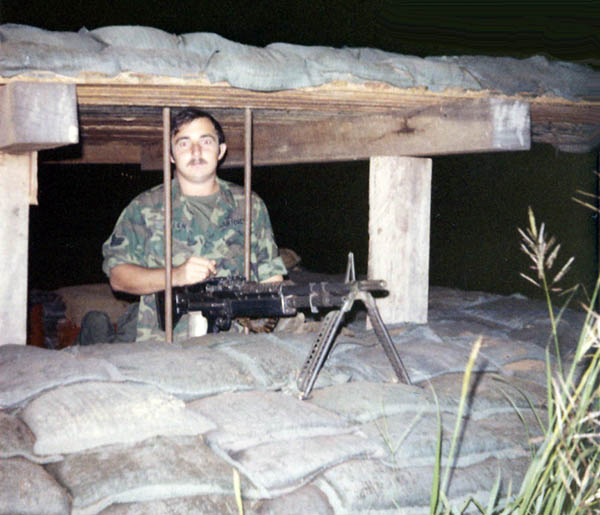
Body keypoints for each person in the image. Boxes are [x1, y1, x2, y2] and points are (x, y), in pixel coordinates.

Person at [102, 108, 286, 342]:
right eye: (184, 143)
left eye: (206, 141)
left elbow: (271, 279)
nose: (196, 152)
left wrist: (264, 319)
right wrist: (177, 276)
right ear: (171, 155)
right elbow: (118, 277)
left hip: (236, 347)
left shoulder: (250, 205)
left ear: (221, 150)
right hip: (164, 350)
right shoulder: (145, 207)